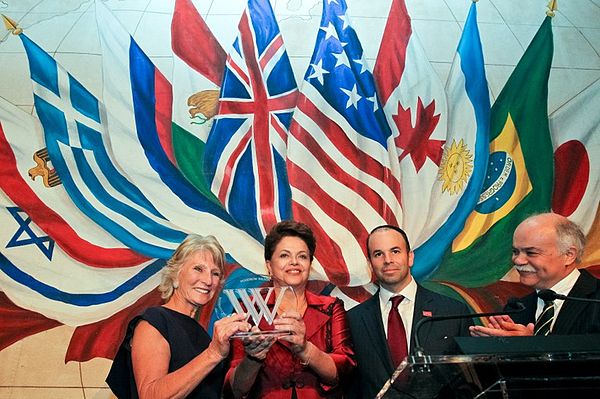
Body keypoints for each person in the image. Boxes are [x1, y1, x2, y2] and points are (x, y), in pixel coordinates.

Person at [106, 234, 252, 399]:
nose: (208, 280)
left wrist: (254, 358)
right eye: (198, 269)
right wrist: (213, 354)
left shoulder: (204, 336)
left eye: (215, 273)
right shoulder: (155, 322)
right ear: (176, 273)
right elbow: (150, 395)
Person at [223, 220, 355, 399]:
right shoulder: (248, 308)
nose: (294, 262)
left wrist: (305, 349)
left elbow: (342, 373)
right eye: (284, 255)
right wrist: (253, 358)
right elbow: (235, 389)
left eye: (302, 256)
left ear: (310, 264)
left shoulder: (331, 307)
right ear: (269, 265)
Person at [346, 225, 473, 399]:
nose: (388, 260)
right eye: (378, 254)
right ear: (370, 264)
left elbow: (470, 382)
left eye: (395, 251)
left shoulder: (453, 312)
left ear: (410, 257)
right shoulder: (354, 320)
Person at [470, 213, 600, 337]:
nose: (518, 260)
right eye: (515, 252)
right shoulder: (516, 309)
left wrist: (533, 346)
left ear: (569, 255)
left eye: (531, 253)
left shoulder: (595, 300)